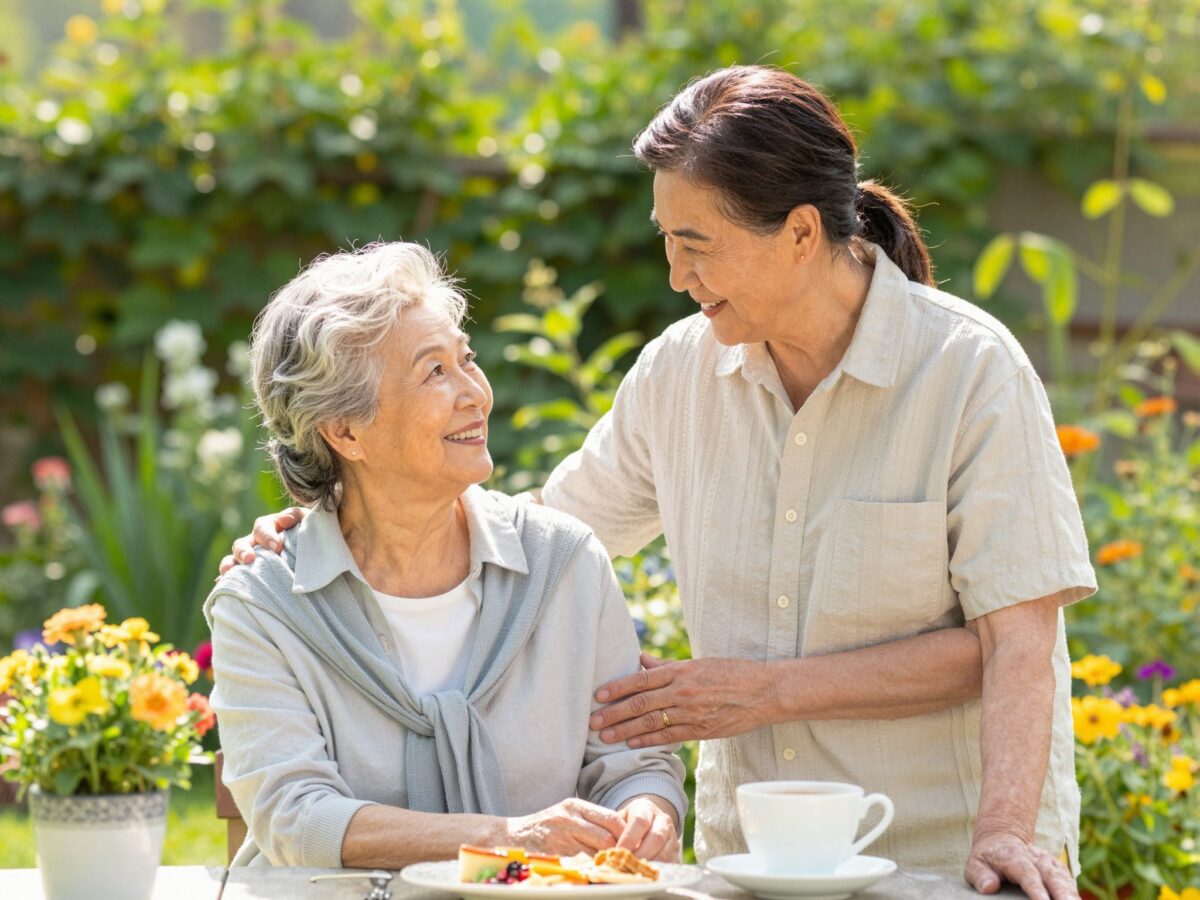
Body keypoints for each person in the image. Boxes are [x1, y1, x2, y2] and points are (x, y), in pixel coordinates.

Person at [224, 67, 1094, 898]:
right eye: (667, 241)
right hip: (751, 862)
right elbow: (536, 531)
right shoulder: (680, 374)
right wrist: (331, 516)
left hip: (945, 855)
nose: (676, 276)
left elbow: (1015, 642)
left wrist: (1002, 832)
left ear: (798, 233)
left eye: (696, 244)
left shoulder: (969, 371)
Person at [205, 242, 685, 869]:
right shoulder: (264, 603)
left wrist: (647, 811)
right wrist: (507, 835)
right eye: (434, 371)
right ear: (345, 431)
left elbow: (632, 764)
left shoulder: (565, 563)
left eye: (467, 359)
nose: (475, 394)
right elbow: (295, 817)